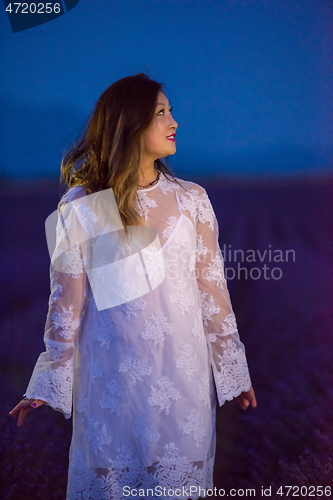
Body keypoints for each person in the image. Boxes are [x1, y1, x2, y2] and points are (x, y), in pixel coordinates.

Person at [9, 73, 257, 500]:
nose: (172, 121)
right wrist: (47, 380)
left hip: (183, 379)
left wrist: (234, 368)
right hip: (111, 386)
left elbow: (212, 290)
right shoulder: (84, 203)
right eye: (160, 112)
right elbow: (65, 301)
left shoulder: (192, 199)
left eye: (171, 111)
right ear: (128, 124)